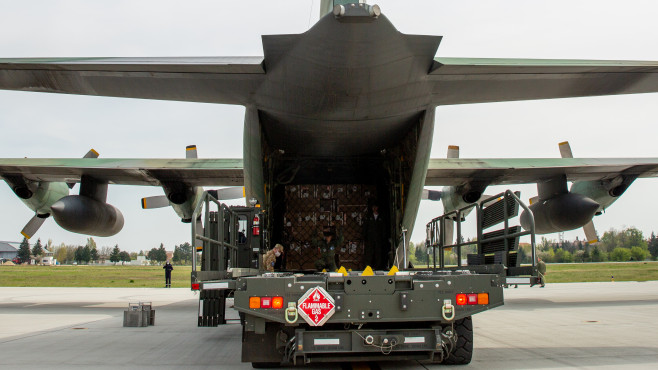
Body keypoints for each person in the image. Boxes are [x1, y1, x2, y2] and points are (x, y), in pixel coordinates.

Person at [363, 204, 388, 270]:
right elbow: (365, 227)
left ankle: (378, 267)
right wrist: (365, 237)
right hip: (370, 238)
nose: (374, 208)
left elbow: (383, 228)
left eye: (375, 207)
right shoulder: (368, 217)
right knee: (369, 252)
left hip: (378, 239)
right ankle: (368, 266)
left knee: (378, 253)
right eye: (373, 207)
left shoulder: (381, 217)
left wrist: (383, 237)